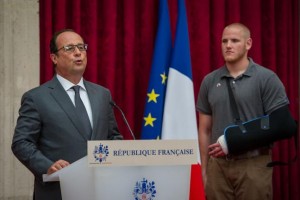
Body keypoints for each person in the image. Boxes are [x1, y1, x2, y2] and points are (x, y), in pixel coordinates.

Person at [11, 29, 123, 200]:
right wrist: (47, 166)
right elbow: (21, 142)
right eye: (69, 48)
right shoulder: (36, 98)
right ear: (54, 58)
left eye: (81, 47)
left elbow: (113, 137)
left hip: (101, 190)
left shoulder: (102, 94)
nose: (78, 52)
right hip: (58, 190)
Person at [196, 23, 291, 200]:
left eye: (234, 40)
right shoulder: (209, 81)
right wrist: (204, 170)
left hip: (254, 164)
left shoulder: (266, 78)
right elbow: (204, 130)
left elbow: (281, 124)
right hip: (218, 168)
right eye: (224, 41)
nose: (228, 45)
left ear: (248, 44)